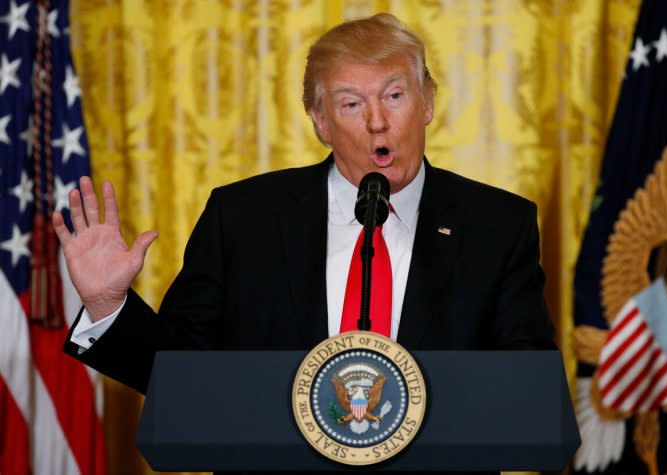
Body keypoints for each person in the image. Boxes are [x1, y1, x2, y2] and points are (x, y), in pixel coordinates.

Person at [56, 13, 555, 395]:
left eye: (395, 95)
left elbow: (525, 390)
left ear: (427, 103)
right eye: (351, 104)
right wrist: (107, 305)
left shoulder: (498, 226)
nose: (377, 122)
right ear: (321, 122)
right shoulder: (244, 220)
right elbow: (183, 378)